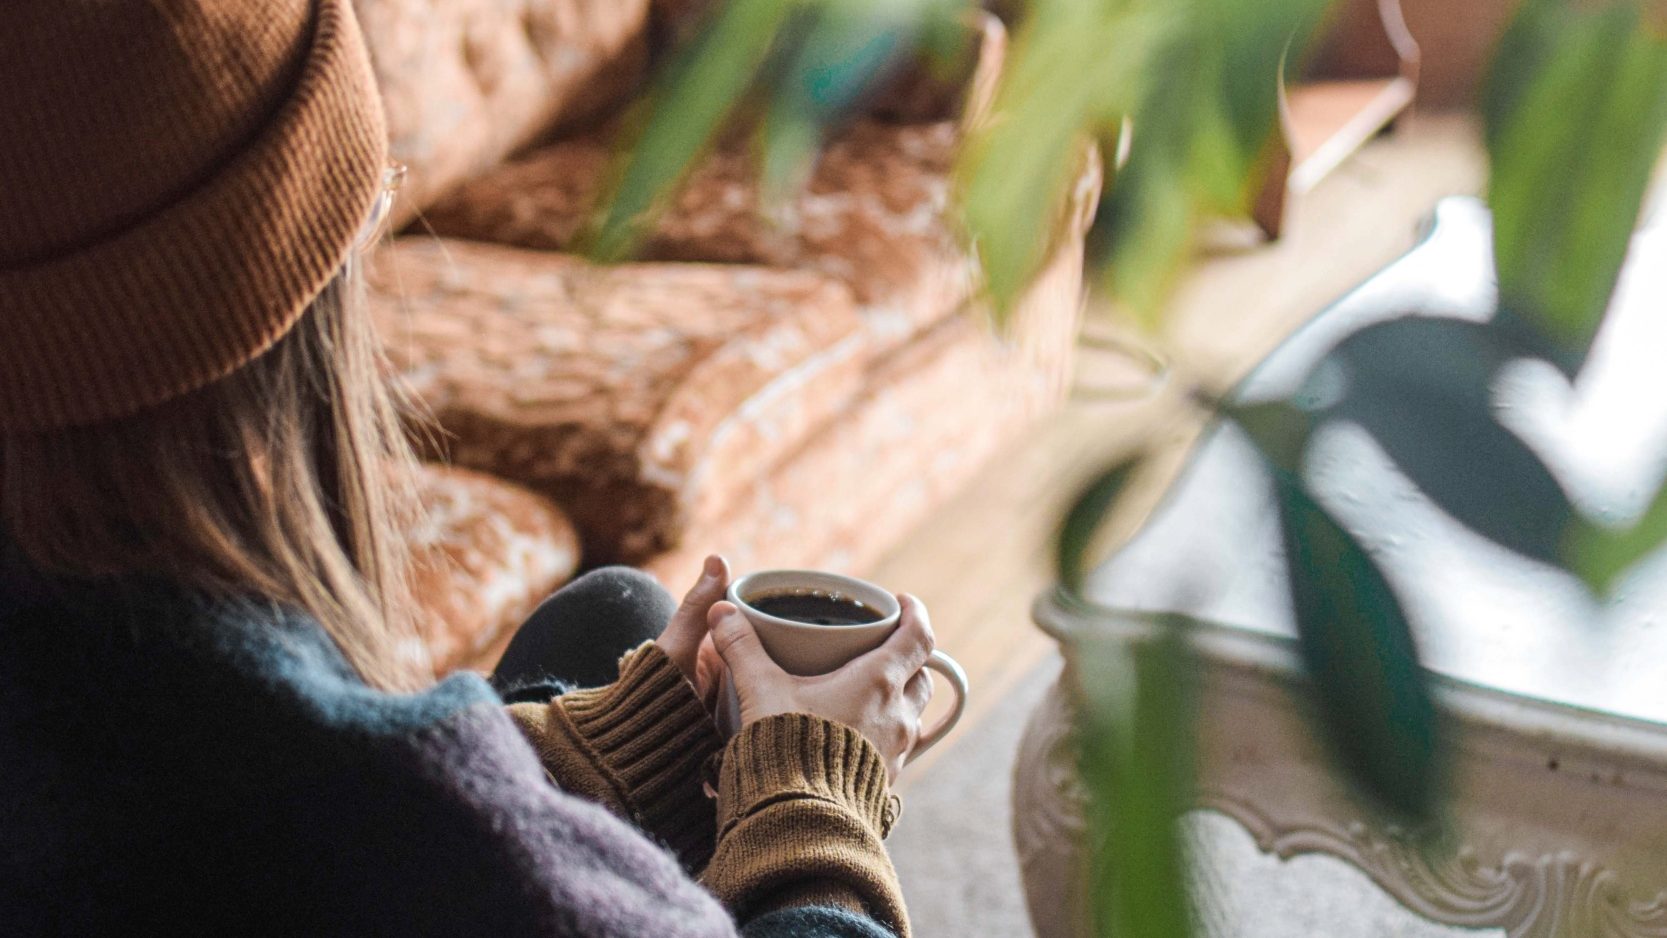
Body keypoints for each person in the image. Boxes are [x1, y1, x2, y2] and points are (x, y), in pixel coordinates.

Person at [0, 2, 936, 935]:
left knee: (609, 613)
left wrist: (594, 752)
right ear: (271, 318)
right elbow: (387, 826)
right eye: (367, 211)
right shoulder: (386, 826)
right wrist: (816, 798)